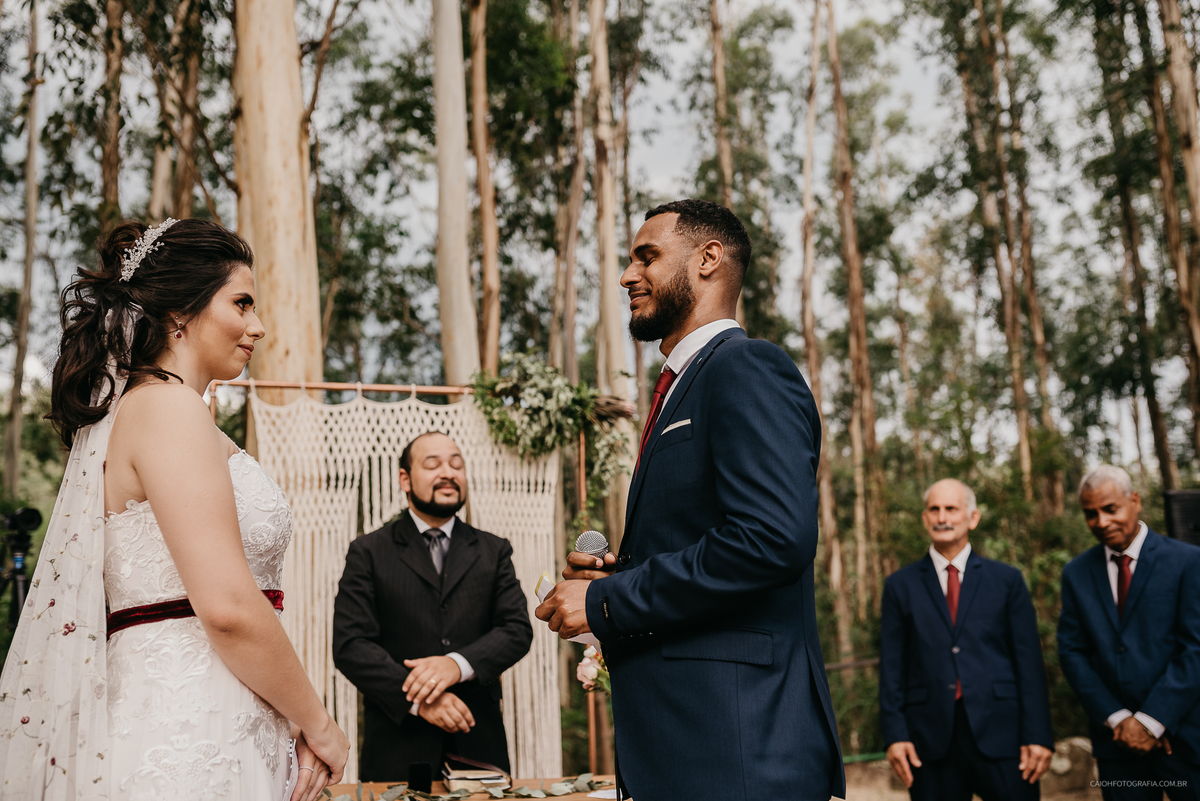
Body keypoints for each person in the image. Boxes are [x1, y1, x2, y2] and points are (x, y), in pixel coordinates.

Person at [0, 218, 350, 800]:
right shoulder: (168, 408)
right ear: (179, 313)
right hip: (186, 736)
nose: (257, 327)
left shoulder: (161, 412)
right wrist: (321, 722)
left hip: (218, 719)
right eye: (241, 303)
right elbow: (228, 607)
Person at [535, 199, 844, 800]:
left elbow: (772, 539)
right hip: (685, 750)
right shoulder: (682, 387)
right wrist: (616, 574)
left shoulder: (746, 368)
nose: (628, 275)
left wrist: (608, 599)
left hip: (738, 749)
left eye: (647, 256)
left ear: (708, 259)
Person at [332, 431, 532, 782]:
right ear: (404, 479)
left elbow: (516, 630)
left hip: (479, 746)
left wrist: (456, 665)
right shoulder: (368, 551)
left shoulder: (494, 550)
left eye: (456, 464)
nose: (448, 472)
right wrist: (420, 699)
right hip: (396, 750)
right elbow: (351, 645)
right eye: (433, 464)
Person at [879, 478, 1054, 800]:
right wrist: (894, 734)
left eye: (951, 508)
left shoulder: (1007, 580)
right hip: (928, 740)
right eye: (934, 509)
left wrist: (1038, 735)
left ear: (972, 518)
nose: (942, 517)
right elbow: (891, 667)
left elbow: (1028, 663)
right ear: (924, 518)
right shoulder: (899, 586)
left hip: (1004, 734)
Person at [1058, 465, 1200, 799]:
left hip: (1183, 737)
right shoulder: (1076, 573)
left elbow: (1196, 648)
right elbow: (1072, 653)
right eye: (1090, 514)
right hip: (1116, 746)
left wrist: (1152, 720)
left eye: (1110, 509)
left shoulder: (1187, 562)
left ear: (1134, 501)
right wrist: (1120, 720)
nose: (1102, 522)